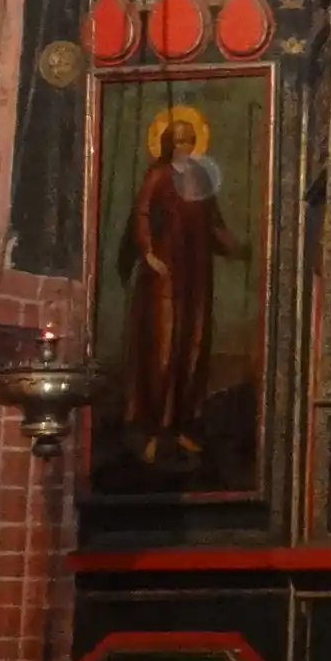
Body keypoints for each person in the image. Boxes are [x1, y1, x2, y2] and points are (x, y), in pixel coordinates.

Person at [117, 115, 243, 466]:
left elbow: (214, 223)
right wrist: (149, 253)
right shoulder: (157, 177)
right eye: (180, 140)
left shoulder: (201, 178)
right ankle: (154, 428)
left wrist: (239, 249)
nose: (185, 146)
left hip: (196, 273)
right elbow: (142, 216)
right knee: (164, 348)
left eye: (190, 140)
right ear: (169, 144)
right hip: (165, 274)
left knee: (193, 345)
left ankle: (183, 424)